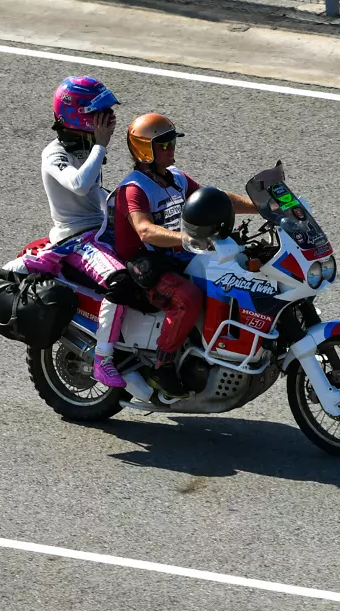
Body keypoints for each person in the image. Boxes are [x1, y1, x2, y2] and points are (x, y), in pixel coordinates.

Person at [105, 112, 260, 398]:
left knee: (232, 274)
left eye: (172, 142)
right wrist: (187, 239)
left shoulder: (175, 179)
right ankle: (162, 367)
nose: (171, 148)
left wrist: (263, 207)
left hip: (176, 256)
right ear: (144, 150)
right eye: (163, 145)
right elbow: (146, 231)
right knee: (187, 298)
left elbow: (218, 200)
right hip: (144, 266)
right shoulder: (133, 189)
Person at [3, 76, 129, 388]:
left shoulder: (84, 146)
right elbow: (79, 184)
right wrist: (100, 145)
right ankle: (103, 359)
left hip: (100, 231)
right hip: (77, 239)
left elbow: (95, 192)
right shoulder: (55, 153)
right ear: (80, 116)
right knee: (122, 283)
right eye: (101, 113)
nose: (109, 119)